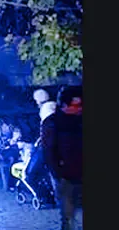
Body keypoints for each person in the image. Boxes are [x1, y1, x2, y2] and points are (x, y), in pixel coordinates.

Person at [42, 86, 82, 230]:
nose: (79, 109)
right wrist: (59, 174)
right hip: (67, 178)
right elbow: (49, 152)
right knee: (69, 218)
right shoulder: (53, 124)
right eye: (75, 106)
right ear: (64, 105)